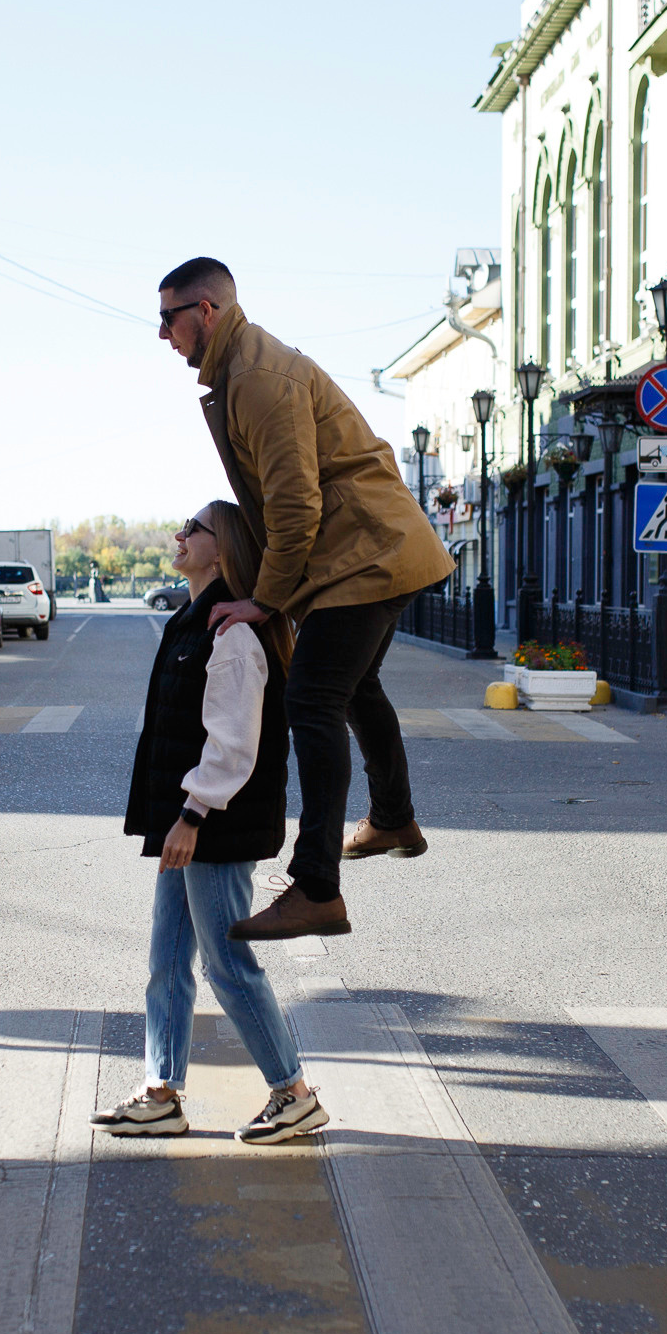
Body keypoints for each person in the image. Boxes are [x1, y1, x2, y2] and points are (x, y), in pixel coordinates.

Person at [157, 257, 455, 943]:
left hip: (366, 552)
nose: (163, 334)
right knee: (353, 689)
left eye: (169, 318)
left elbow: (295, 506)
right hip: (371, 549)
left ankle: (317, 886)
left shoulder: (257, 378)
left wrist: (263, 601)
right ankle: (393, 817)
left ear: (206, 311)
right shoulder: (242, 371)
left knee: (312, 698)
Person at [93, 500, 330, 1144]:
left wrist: (192, 813)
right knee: (167, 957)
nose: (179, 534)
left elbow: (233, 742)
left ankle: (293, 1093)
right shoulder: (194, 621)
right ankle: (162, 1092)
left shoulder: (232, 633)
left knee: (227, 964)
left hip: (216, 823)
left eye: (192, 528)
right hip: (191, 818)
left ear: (221, 547)